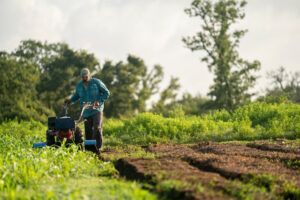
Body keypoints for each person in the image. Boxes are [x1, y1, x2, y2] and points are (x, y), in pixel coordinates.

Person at [65, 68, 110, 151]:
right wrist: (70, 100)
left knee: (97, 127)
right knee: (88, 130)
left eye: (86, 77)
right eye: (83, 77)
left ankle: (98, 147)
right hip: (85, 111)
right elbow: (76, 95)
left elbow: (106, 93)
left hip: (97, 109)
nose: (84, 79)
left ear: (89, 75)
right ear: (81, 77)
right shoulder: (79, 85)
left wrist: (99, 101)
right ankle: (89, 148)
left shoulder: (96, 83)